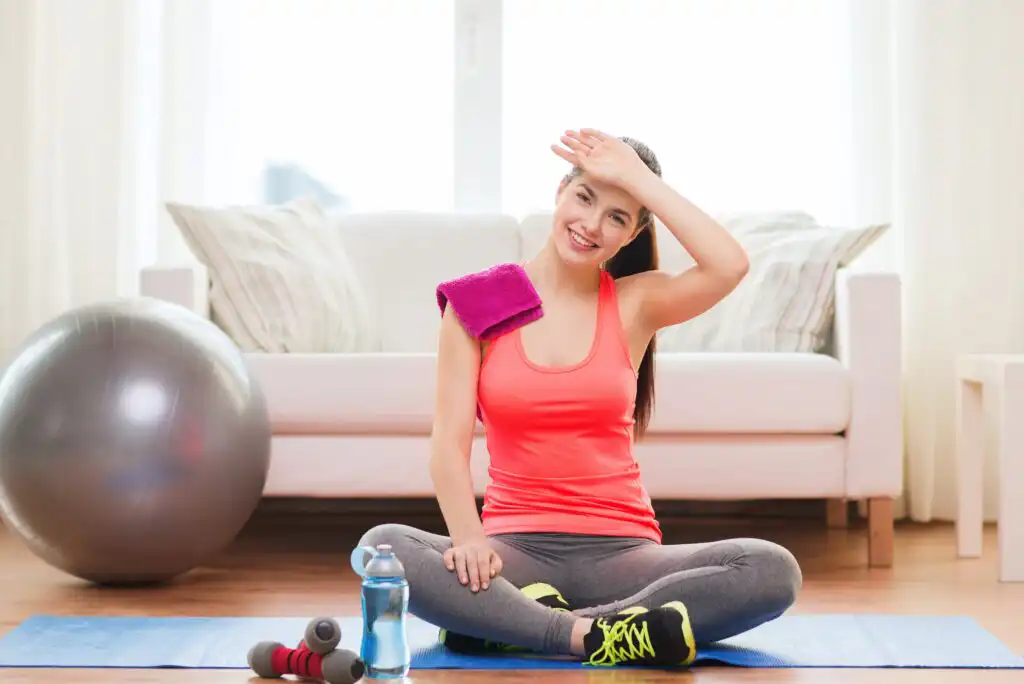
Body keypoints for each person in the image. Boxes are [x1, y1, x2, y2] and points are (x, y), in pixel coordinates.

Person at [358, 129, 802, 668]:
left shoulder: (636, 303)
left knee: (771, 569)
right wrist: (469, 540)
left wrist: (637, 180)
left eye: (617, 216)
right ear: (560, 191)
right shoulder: (479, 303)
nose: (591, 225)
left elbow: (728, 264)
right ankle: (590, 636)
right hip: (512, 551)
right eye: (585, 198)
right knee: (384, 548)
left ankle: (517, 623)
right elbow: (446, 447)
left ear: (632, 232)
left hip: (625, 554)